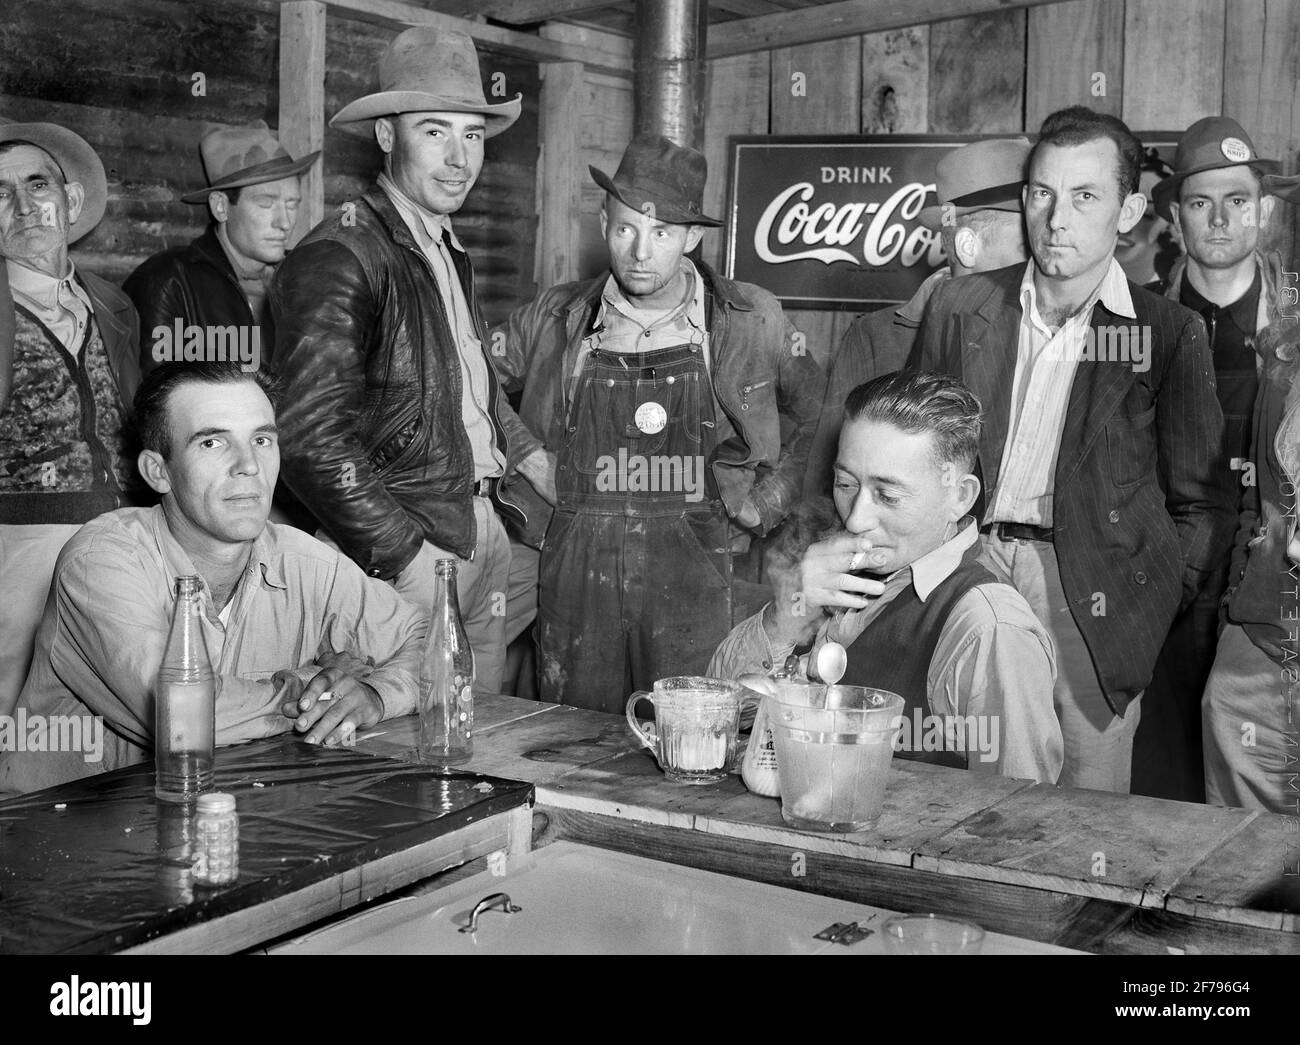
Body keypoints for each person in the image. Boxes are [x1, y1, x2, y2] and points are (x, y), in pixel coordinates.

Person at [908, 105, 1236, 794]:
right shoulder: (960, 306)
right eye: (1041, 193)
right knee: (955, 787)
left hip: (1092, 593)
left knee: (1087, 815)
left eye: (1084, 196)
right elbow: (911, 448)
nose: (1056, 219)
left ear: (1129, 210)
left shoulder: (1167, 332)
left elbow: (1203, 503)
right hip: (969, 568)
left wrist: (1147, 603)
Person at [495, 134, 825, 712]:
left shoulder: (750, 319)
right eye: (626, 230)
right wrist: (527, 456)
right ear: (604, 223)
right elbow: (468, 371)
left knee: (691, 734)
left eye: (663, 233)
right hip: (577, 567)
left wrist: (765, 501)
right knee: (573, 737)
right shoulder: (558, 315)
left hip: (692, 571)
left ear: (693, 238)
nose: (640, 252)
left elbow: (820, 412)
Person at [268, 27, 550, 696]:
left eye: (473, 136)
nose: (459, 159)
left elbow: (467, 391)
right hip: (406, 545)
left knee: (468, 741)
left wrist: (537, 464)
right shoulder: (341, 254)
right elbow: (308, 438)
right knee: (390, 750)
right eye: (434, 132)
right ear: (388, 138)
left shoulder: (443, 250)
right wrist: (403, 553)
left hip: (480, 530)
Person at [0, 362, 428, 795]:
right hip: (65, 834)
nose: (248, 465)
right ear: (158, 472)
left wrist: (375, 696)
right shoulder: (100, 562)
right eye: (212, 442)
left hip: (222, 820)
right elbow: (182, 717)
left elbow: (432, 643)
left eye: (261, 440)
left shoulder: (304, 561)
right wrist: (311, 681)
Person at [711, 370, 1062, 783]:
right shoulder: (827, 573)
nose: (856, 520)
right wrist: (789, 610)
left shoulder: (988, 628)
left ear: (960, 496)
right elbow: (719, 717)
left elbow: (1017, 815)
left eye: (888, 496)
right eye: (845, 483)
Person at [1136, 117, 1285, 802]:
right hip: (1167, 581)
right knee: (1161, 778)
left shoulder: (1294, 327)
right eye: (1200, 203)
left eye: (1238, 200)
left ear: (1267, 210)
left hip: (1272, 594)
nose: (1221, 219)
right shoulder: (1134, 324)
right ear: (1174, 218)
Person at [0, 119, 142, 719]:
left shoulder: (112, 303)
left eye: (38, 185)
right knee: (14, 725)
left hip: (119, 540)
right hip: (17, 551)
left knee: (121, 717)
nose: (23, 205)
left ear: (71, 200)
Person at [805, 138, 1030, 497]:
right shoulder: (875, 337)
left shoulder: (1058, 328)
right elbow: (828, 477)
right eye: (1026, 246)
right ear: (966, 246)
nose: (1042, 260)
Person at [1200, 168, 1300, 815]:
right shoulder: (1283, 358)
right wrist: (1243, 598)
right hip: (1257, 660)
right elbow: (1259, 498)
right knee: (1240, 885)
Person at [124, 120, 319, 371]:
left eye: (292, 205)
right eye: (266, 203)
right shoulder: (169, 283)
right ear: (221, 206)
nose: (284, 222)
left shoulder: (306, 278)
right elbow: (158, 398)